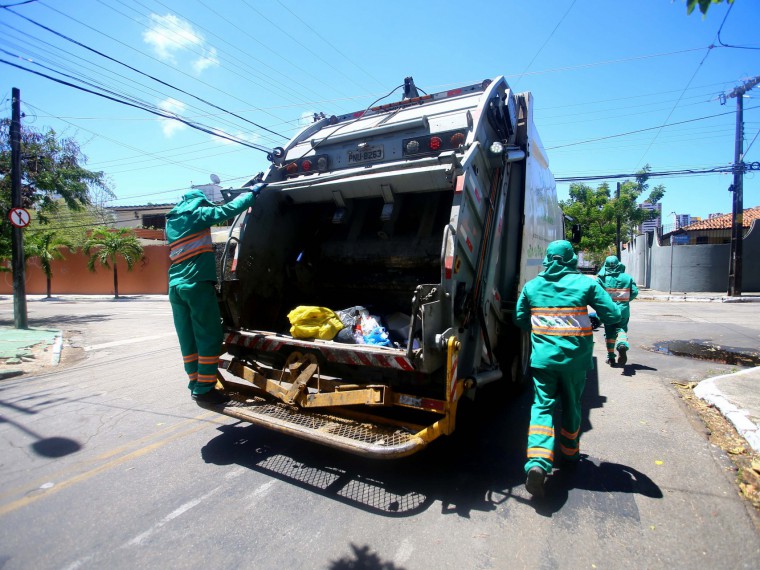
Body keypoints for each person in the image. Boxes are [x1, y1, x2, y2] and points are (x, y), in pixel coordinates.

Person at [513, 240, 621, 499]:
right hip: (575, 362)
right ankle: (570, 454)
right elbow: (614, 315)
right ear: (571, 258)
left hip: (543, 361)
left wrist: (542, 333)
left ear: (548, 259)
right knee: (572, 405)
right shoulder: (587, 284)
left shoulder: (532, 286)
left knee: (542, 407)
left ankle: (538, 462)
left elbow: (519, 318)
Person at [166, 185, 264, 405]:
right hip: (196, 285)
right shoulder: (197, 214)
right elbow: (227, 210)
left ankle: (195, 384)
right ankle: (205, 389)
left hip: (175, 286)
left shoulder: (171, 222)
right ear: (198, 203)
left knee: (187, 340)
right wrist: (252, 194)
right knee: (208, 337)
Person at [597, 255, 639, 367]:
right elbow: (634, 292)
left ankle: (611, 358)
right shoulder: (627, 277)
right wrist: (625, 300)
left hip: (608, 310)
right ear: (618, 264)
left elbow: (597, 295)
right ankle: (622, 344)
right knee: (621, 329)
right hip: (623, 310)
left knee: (609, 333)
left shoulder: (601, 278)